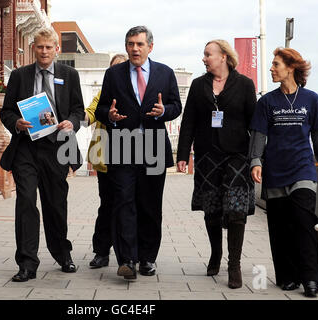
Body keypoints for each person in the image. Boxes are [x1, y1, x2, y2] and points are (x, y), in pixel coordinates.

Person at [95, 26, 182, 279]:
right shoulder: (113, 74)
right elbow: (101, 107)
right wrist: (109, 116)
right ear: (126, 47)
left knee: (150, 205)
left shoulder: (165, 73)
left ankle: (147, 258)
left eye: (140, 44)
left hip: (153, 147)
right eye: (131, 44)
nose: (135, 48)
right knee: (123, 202)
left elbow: (176, 105)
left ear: (150, 47)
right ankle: (127, 260)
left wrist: (164, 111)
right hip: (122, 145)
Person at [0, 27, 84, 282]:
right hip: (26, 147)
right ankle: (27, 263)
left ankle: (62, 254)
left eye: (49, 47)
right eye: (40, 47)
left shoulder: (69, 75)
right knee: (25, 200)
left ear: (56, 49)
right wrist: (16, 123)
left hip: (57, 147)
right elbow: (6, 112)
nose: (44, 51)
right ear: (34, 48)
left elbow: (78, 109)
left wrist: (71, 122)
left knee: (55, 203)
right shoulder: (19, 75)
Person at [176, 40, 256, 289]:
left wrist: (257, 158)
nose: (204, 58)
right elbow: (188, 120)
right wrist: (181, 154)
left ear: (223, 57)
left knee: (235, 209)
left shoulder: (244, 84)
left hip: (237, 155)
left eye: (208, 54)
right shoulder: (199, 85)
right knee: (211, 209)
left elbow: (254, 123)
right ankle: (215, 254)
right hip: (207, 155)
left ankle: (234, 265)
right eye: (204, 55)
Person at [249, 48, 318, 298]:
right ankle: (287, 277)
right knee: (279, 227)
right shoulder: (266, 102)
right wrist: (256, 161)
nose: (271, 68)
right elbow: (259, 134)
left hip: (303, 168)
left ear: (290, 67)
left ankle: (311, 279)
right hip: (275, 170)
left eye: (276, 64)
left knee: (304, 222)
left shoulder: (311, 100)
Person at [85, 53, 128, 269]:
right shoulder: (103, 93)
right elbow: (91, 111)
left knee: (128, 206)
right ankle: (101, 252)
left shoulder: (136, 93)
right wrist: (80, 118)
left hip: (132, 158)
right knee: (108, 205)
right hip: (107, 159)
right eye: (114, 69)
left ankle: (131, 253)